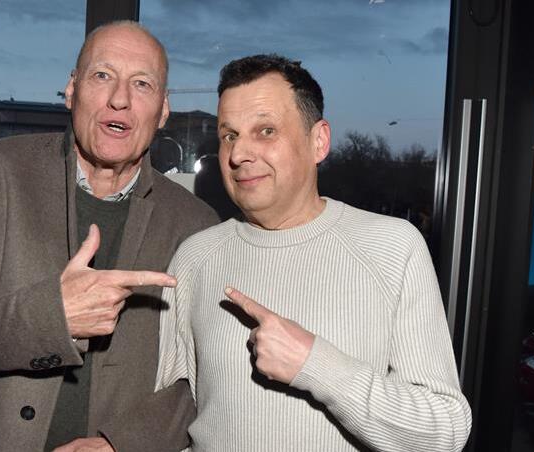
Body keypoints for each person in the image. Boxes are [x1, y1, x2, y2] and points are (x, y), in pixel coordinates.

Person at [0, 21, 218, 452]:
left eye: (142, 84)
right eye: (102, 76)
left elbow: (203, 375)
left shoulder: (195, 223)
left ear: (164, 110)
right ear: (72, 90)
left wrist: (123, 444)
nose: (120, 98)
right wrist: (52, 317)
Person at [156, 54, 472, 451]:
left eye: (266, 130)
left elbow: (443, 432)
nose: (238, 155)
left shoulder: (393, 247)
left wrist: (316, 365)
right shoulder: (194, 257)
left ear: (318, 141)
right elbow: (175, 415)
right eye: (229, 135)